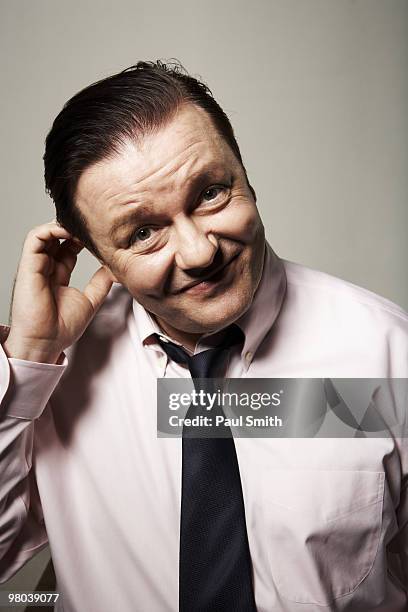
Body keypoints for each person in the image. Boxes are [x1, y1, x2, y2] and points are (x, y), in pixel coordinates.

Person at [0, 60, 407, 612]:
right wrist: (27, 362)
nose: (200, 253)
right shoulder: (52, 374)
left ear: (247, 174)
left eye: (212, 193)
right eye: (143, 232)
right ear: (99, 257)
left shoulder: (386, 352)